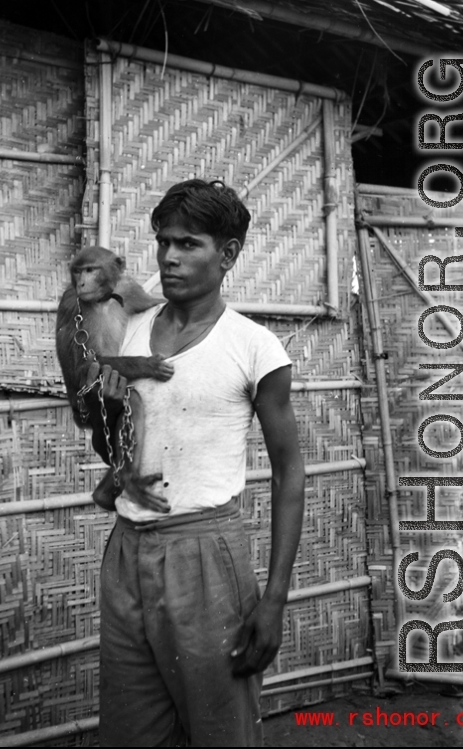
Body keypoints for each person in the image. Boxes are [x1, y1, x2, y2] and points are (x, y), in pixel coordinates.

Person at [84, 179, 305, 747]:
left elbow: (289, 472)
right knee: (132, 731)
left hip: (206, 554)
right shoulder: (127, 332)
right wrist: (110, 408)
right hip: (127, 551)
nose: (170, 257)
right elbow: (112, 448)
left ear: (228, 254)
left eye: (189, 244)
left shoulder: (254, 348)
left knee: (219, 729)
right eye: (163, 242)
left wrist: (275, 598)